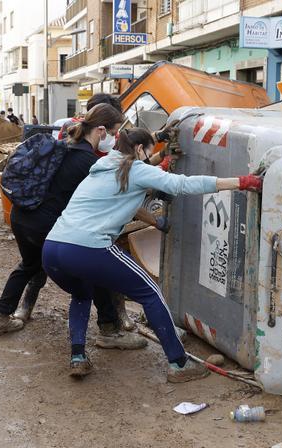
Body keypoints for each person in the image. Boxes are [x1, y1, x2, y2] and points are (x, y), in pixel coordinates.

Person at [42, 128, 263, 381]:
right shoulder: (136, 170)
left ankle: (78, 356)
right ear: (139, 150)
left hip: (52, 248)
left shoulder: (103, 167)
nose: (150, 157)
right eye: (149, 152)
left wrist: (162, 163)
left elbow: (135, 192)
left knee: (81, 294)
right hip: (89, 246)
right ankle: (179, 364)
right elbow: (182, 184)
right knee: (150, 291)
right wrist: (241, 182)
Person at [0, 104, 146, 350]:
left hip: (23, 218)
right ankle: (110, 330)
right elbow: (119, 186)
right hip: (46, 224)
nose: (115, 139)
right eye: (115, 133)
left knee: (28, 266)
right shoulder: (88, 161)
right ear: (101, 131)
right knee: (97, 268)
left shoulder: (67, 146)